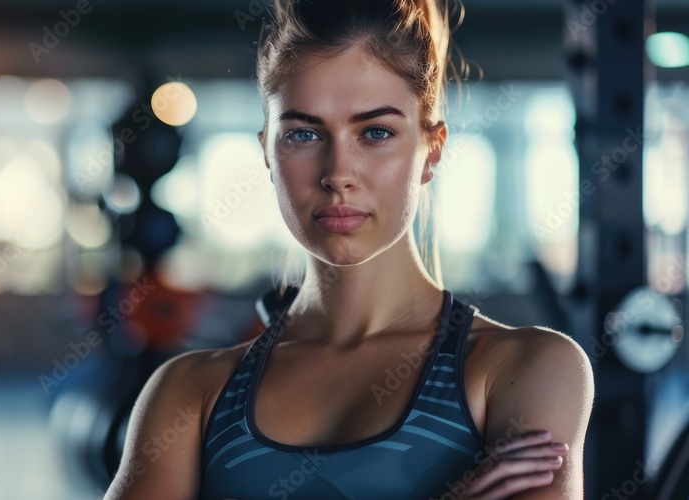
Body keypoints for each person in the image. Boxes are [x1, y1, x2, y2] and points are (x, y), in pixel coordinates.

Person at [104, 0, 595, 498]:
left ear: (433, 150)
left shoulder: (526, 369)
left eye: (376, 132)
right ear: (267, 151)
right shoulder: (187, 393)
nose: (338, 173)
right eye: (303, 133)